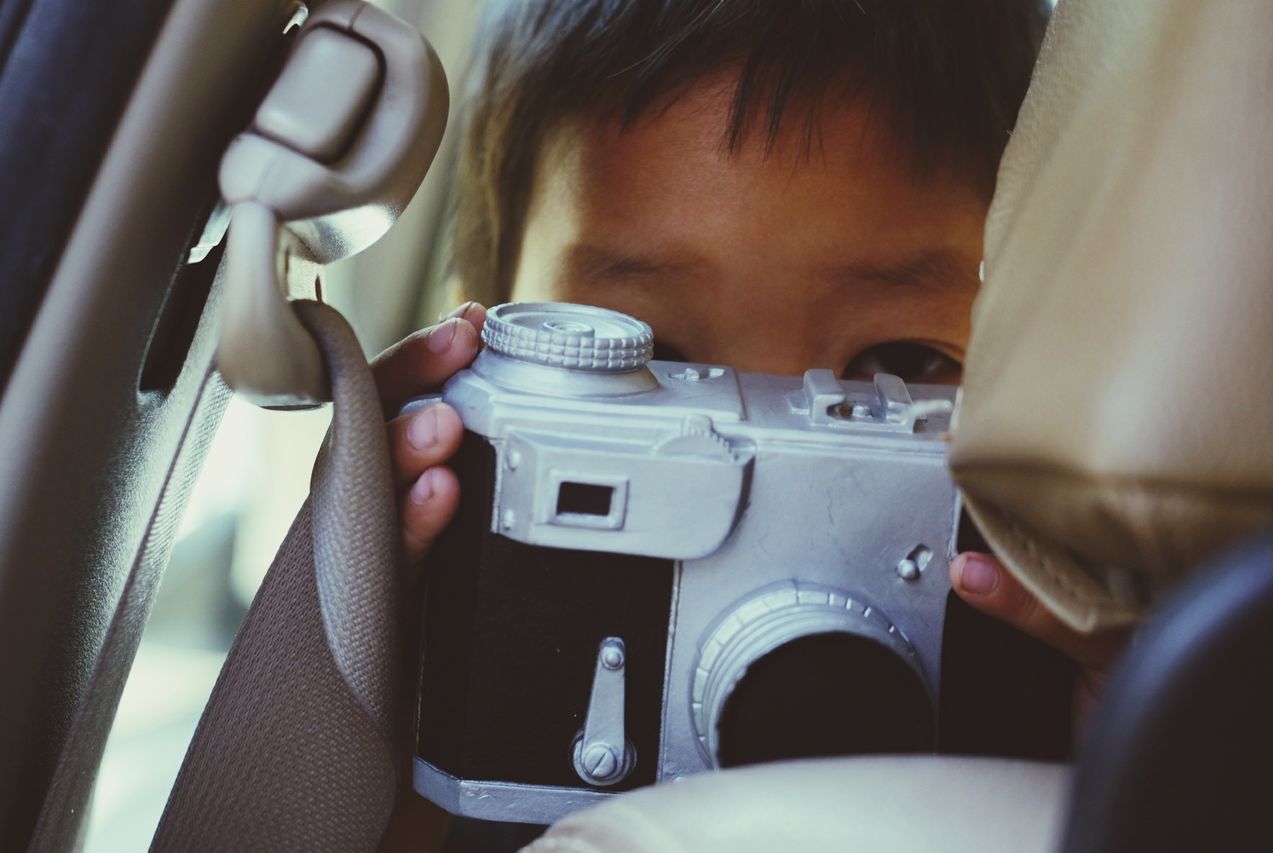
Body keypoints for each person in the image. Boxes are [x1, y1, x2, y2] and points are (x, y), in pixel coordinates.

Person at [373, 0, 1121, 731]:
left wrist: (1133, 750)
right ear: (478, 363)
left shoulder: (1064, 720)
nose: (772, 502)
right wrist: (359, 687)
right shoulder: (431, 723)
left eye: (900, 363)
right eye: (652, 361)